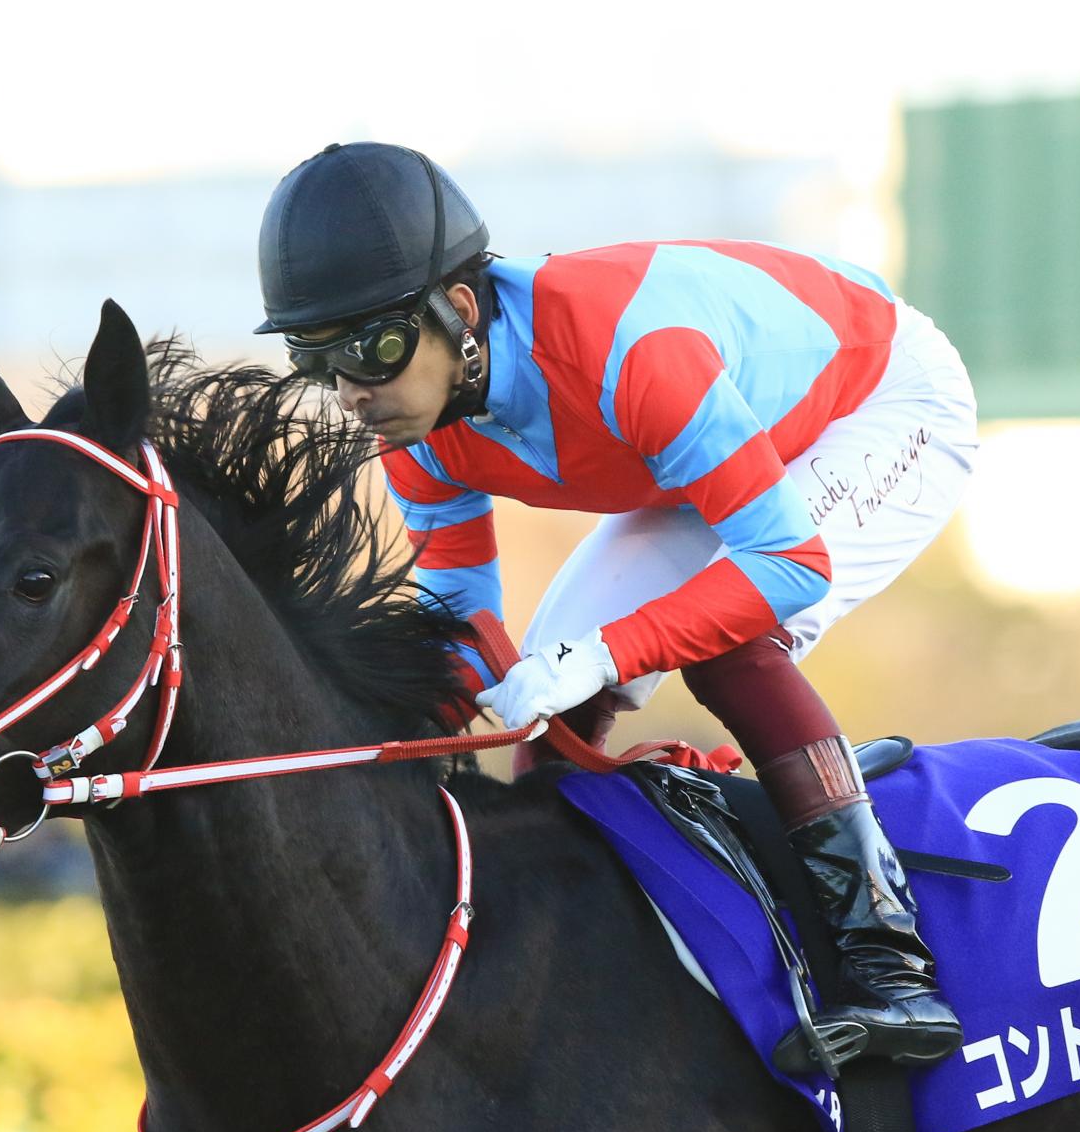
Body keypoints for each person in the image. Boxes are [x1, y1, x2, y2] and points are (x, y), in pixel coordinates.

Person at [255, 142, 977, 1071]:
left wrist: (605, 653)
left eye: (373, 349)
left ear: (461, 311)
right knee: (551, 710)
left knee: (723, 636)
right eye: (320, 359)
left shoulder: (630, 354)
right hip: (717, 447)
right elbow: (458, 622)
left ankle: (891, 967)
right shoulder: (417, 423)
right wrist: (367, 755)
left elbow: (786, 562)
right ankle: (568, 942)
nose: (353, 393)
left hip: (880, 400)